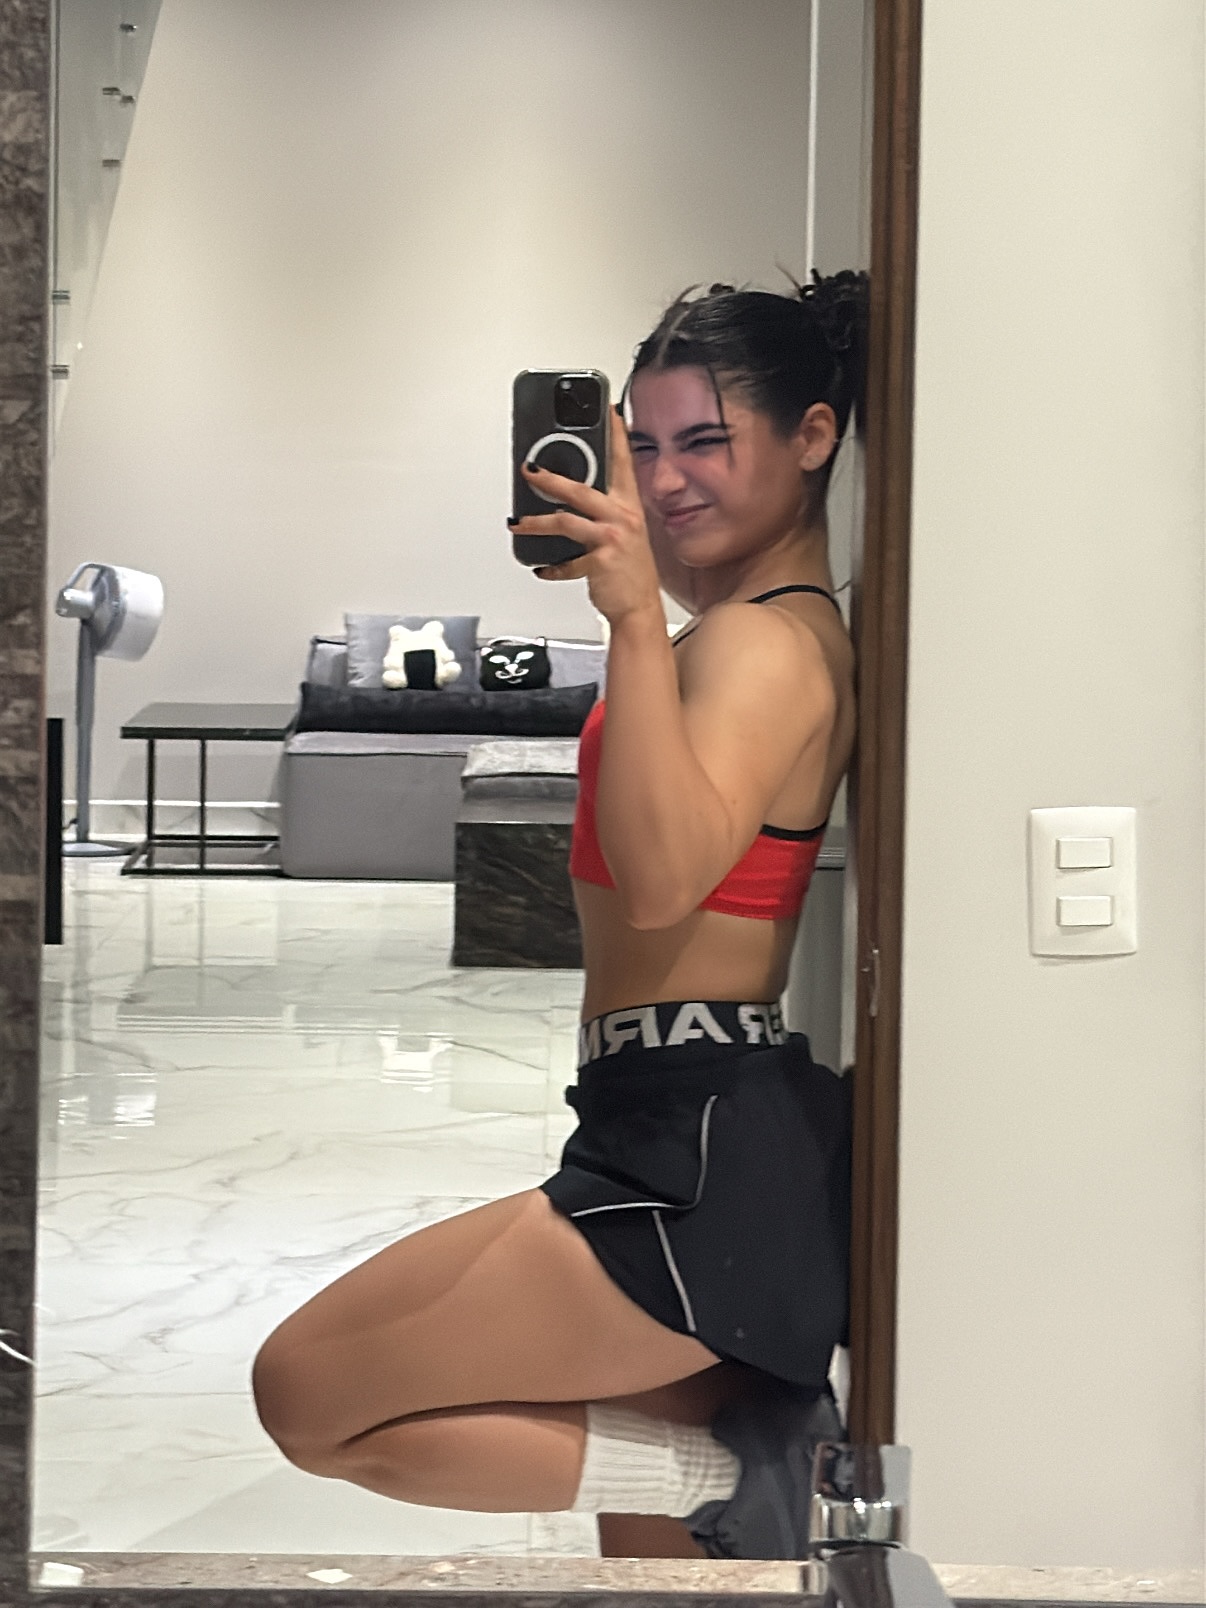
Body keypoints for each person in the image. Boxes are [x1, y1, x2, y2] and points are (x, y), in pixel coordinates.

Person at [251, 272, 866, 1561]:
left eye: (707, 440)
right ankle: (725, 1478)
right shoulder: (751, 632)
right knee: (657, 1573)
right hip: (672, 1120)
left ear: (813, 436)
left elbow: (663, 879)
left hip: (695, 1154)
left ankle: (742, 1474)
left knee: (308, 1390)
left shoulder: (762, 646)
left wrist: (632, 613)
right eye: (644, 446)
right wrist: (638, 592)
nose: (667, 480)